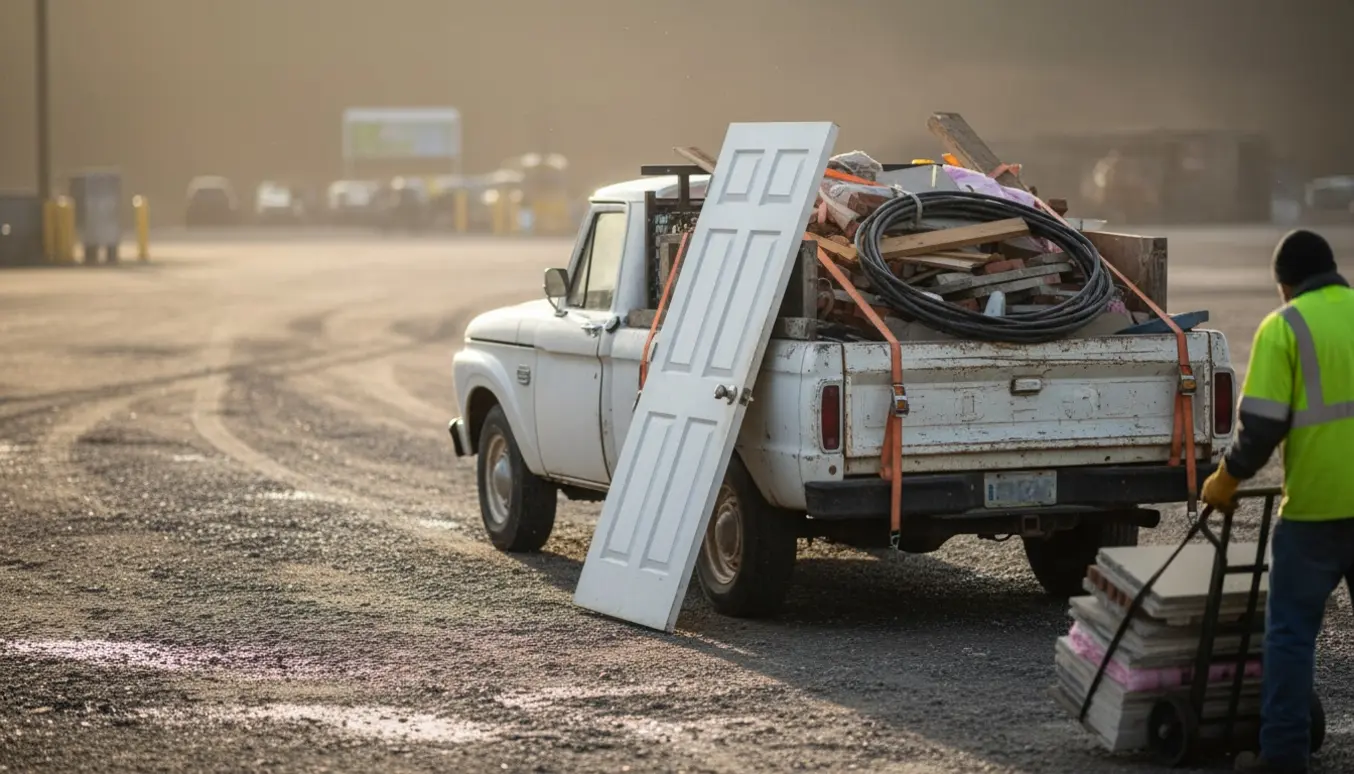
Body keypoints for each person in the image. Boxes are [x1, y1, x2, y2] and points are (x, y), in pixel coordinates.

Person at [1200, 229, 1354, 774]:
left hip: (1316, 511)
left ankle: (1284, 757)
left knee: (1290, 634)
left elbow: (1261, 427)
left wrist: (1226, 480)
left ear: (1284, 285)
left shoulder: (1285, 326)